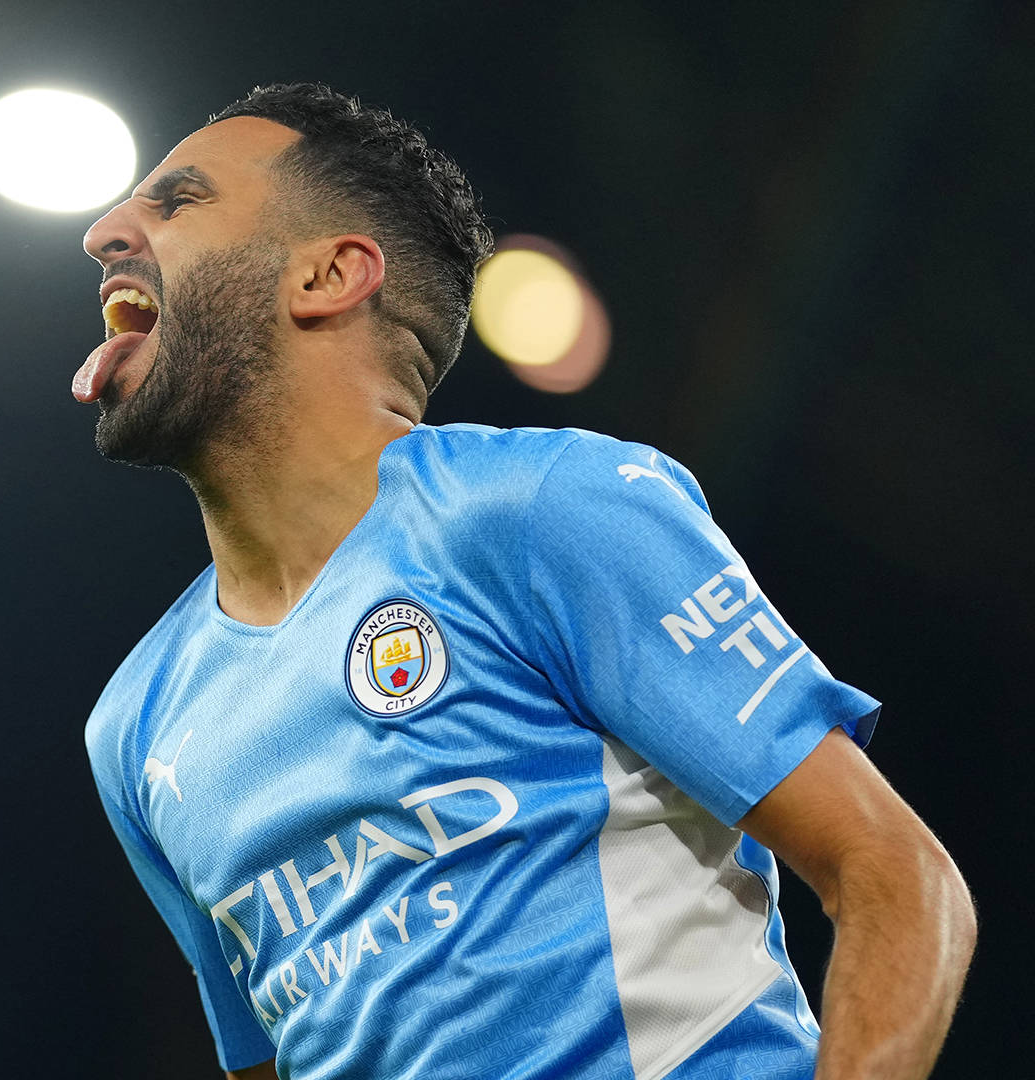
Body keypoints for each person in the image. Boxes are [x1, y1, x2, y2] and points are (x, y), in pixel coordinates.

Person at [76, 83, 974, 1080]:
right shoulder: (135, 729)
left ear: (328, 275)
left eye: (178, 201)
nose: (103, 232)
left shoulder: (539, 509)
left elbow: (895, 874)